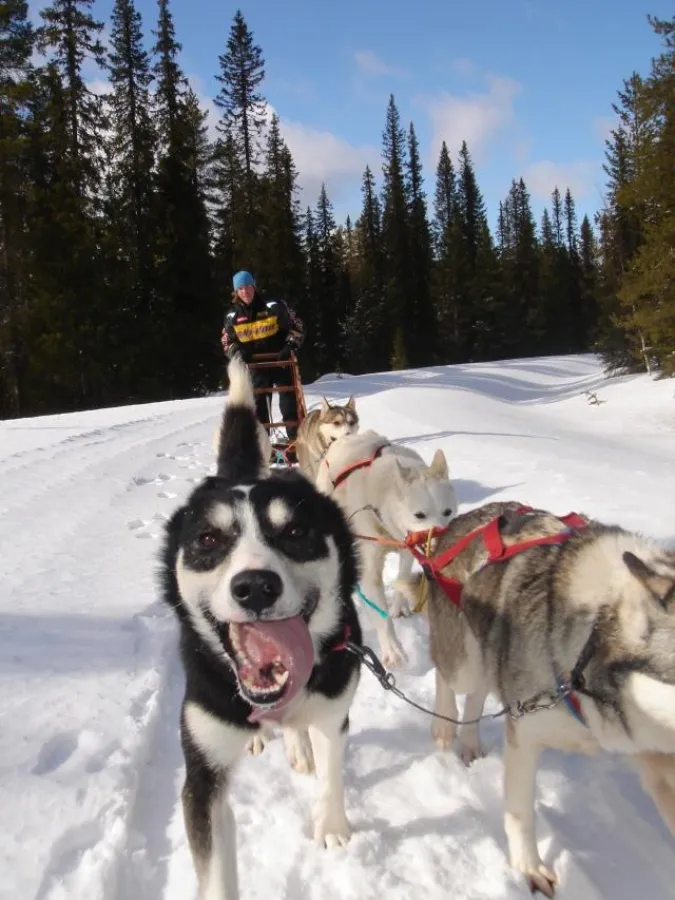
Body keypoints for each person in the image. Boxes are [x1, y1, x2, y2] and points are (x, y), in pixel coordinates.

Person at [221, 270, 305, 441]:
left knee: (289, 404)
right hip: (256, 366)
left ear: (254, 287)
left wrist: (290, 345)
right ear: (236, 292)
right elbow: (226, 342)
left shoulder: (274, 306)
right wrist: (237, 352)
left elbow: (298, 326)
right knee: (259, 408)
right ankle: (262, 445)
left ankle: (295, 442)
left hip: (281, 361)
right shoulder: (232, 316)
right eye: (241, 289)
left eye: (248, 287)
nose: (245, 292)